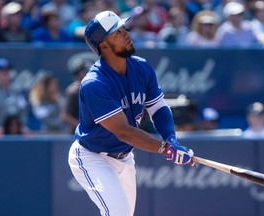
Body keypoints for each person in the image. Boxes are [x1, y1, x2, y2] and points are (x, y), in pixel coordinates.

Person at [68, 10, 195, 216]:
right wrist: (166, 149)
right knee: (117, 212)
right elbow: (124, 132)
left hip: (125, 157)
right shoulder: (95, 83)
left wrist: (171, 139)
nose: (126, 34)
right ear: (104, 45)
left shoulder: (141, 66)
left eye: (124, 28)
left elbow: (158, 107)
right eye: (117, 32)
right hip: (93, 156)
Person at [0, 57, 28, 134]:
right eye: (2, 72)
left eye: (7, 72)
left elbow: (23, 109)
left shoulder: (16, 91)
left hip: (16, 130)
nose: (5, 75)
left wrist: (23, 126)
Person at [60, 60, 92, 133]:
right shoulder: (73, 91)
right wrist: (83, 127)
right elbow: (65, 116)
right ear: (77, 74)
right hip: (77, 135)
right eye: (84, 71)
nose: (88, 73)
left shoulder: (90, 88)